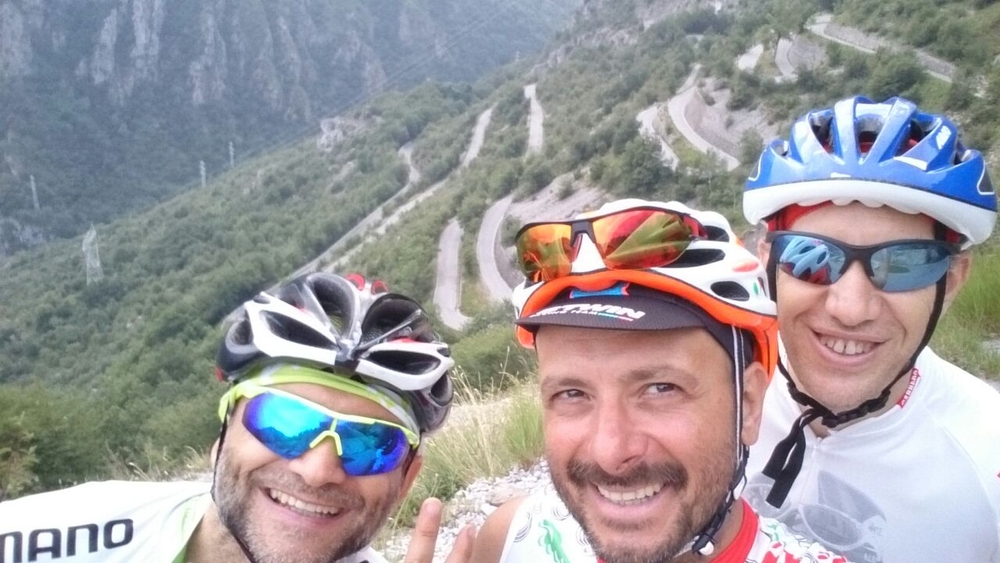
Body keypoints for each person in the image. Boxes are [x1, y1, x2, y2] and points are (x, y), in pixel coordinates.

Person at [0, 272, 474, 563]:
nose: (317, 469)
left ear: (407, 478)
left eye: (371, 444)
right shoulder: (54, 540)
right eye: (284, 421)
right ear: (223, 432)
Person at [471, 199, 849, 562]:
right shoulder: (509, 542)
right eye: (572, 393)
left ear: (748, 404)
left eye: (660, 388)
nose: (611, 452)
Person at [741, 95, 1000, 563]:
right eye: (811, 257)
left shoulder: (988, 456)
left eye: (904, 264)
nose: (851, 309)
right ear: (768, 264)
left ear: (953, 280)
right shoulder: (712, 396)